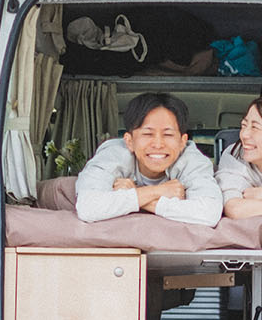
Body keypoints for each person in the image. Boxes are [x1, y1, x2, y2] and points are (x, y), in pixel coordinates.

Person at [75, 92, 223, 227]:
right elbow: (87, 207)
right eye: (147, 134)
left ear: (182, 142)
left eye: (168, 135)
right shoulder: (113, 155)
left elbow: (209, 213)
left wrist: (139, 194)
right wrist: (157, 192)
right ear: (129, 141)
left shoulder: (192, 160)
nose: (158, 144)